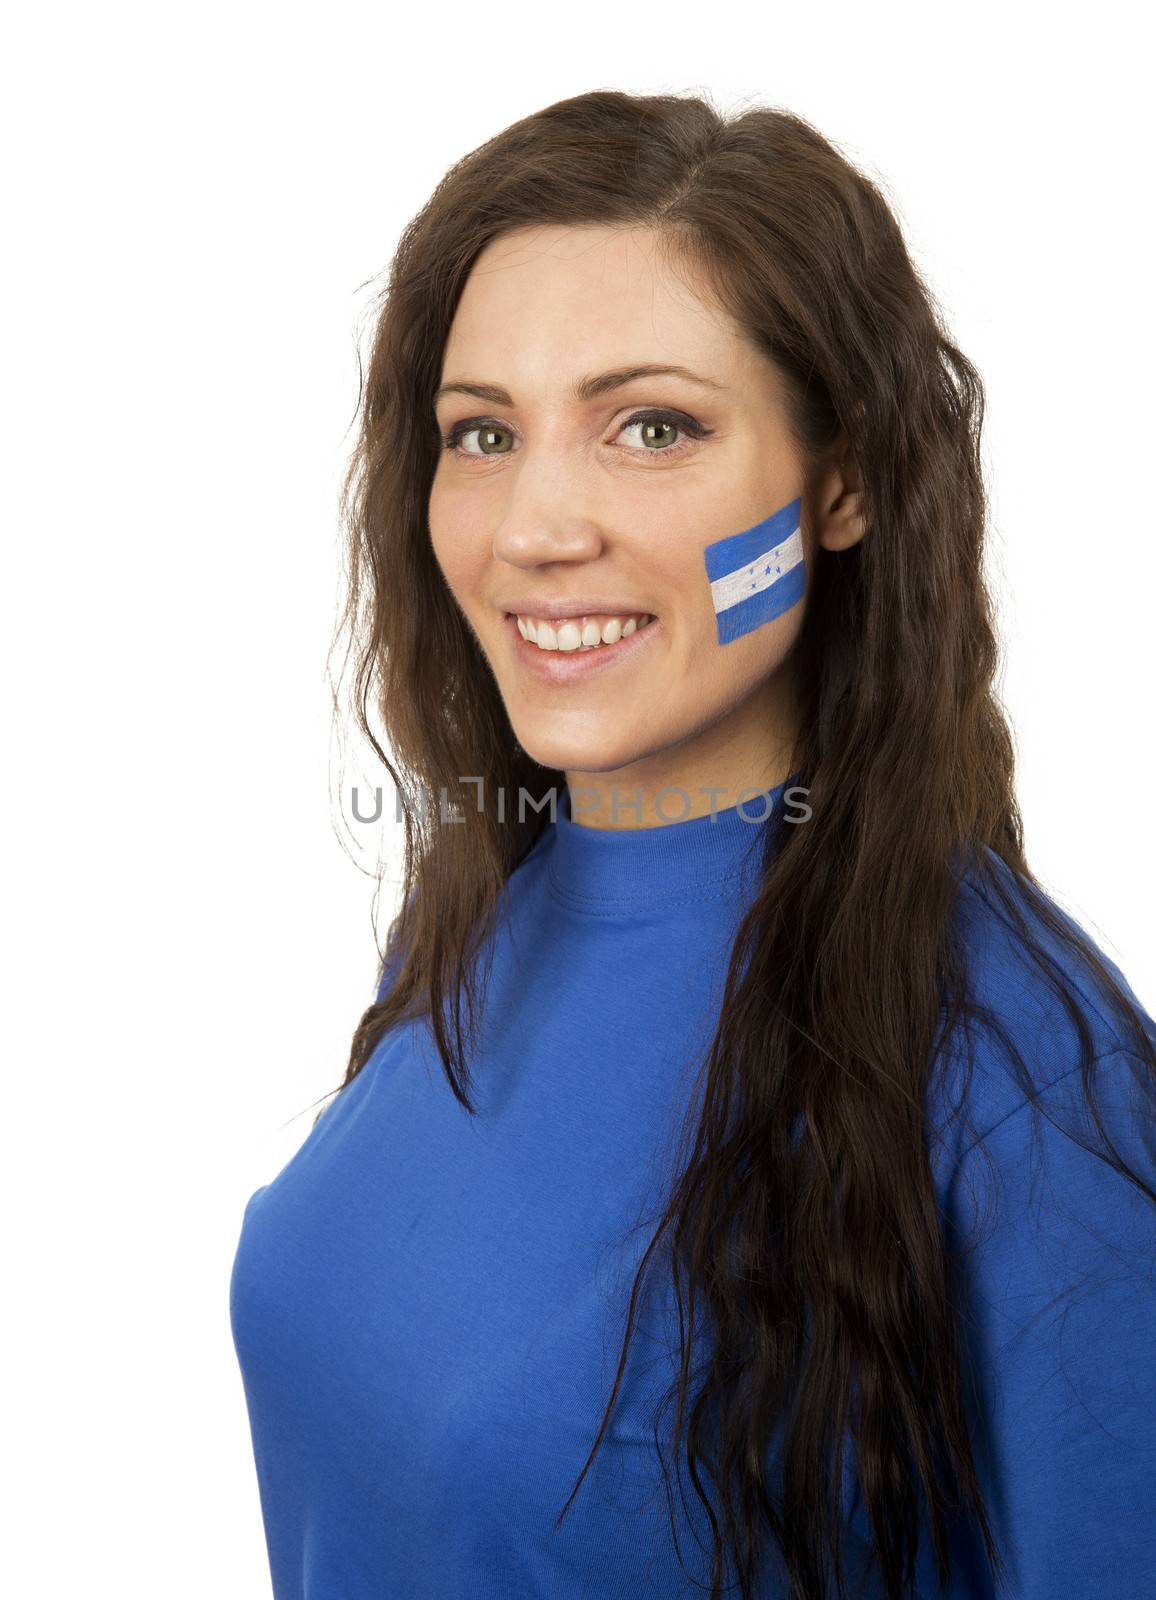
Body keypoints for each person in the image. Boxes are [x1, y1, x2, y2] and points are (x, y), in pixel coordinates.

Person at [228, 89, 1156, 1600]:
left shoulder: (1022, 1082)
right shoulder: (474, 923)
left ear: (840, 482)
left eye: (651, 427)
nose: (535, 526)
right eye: (482, 433)